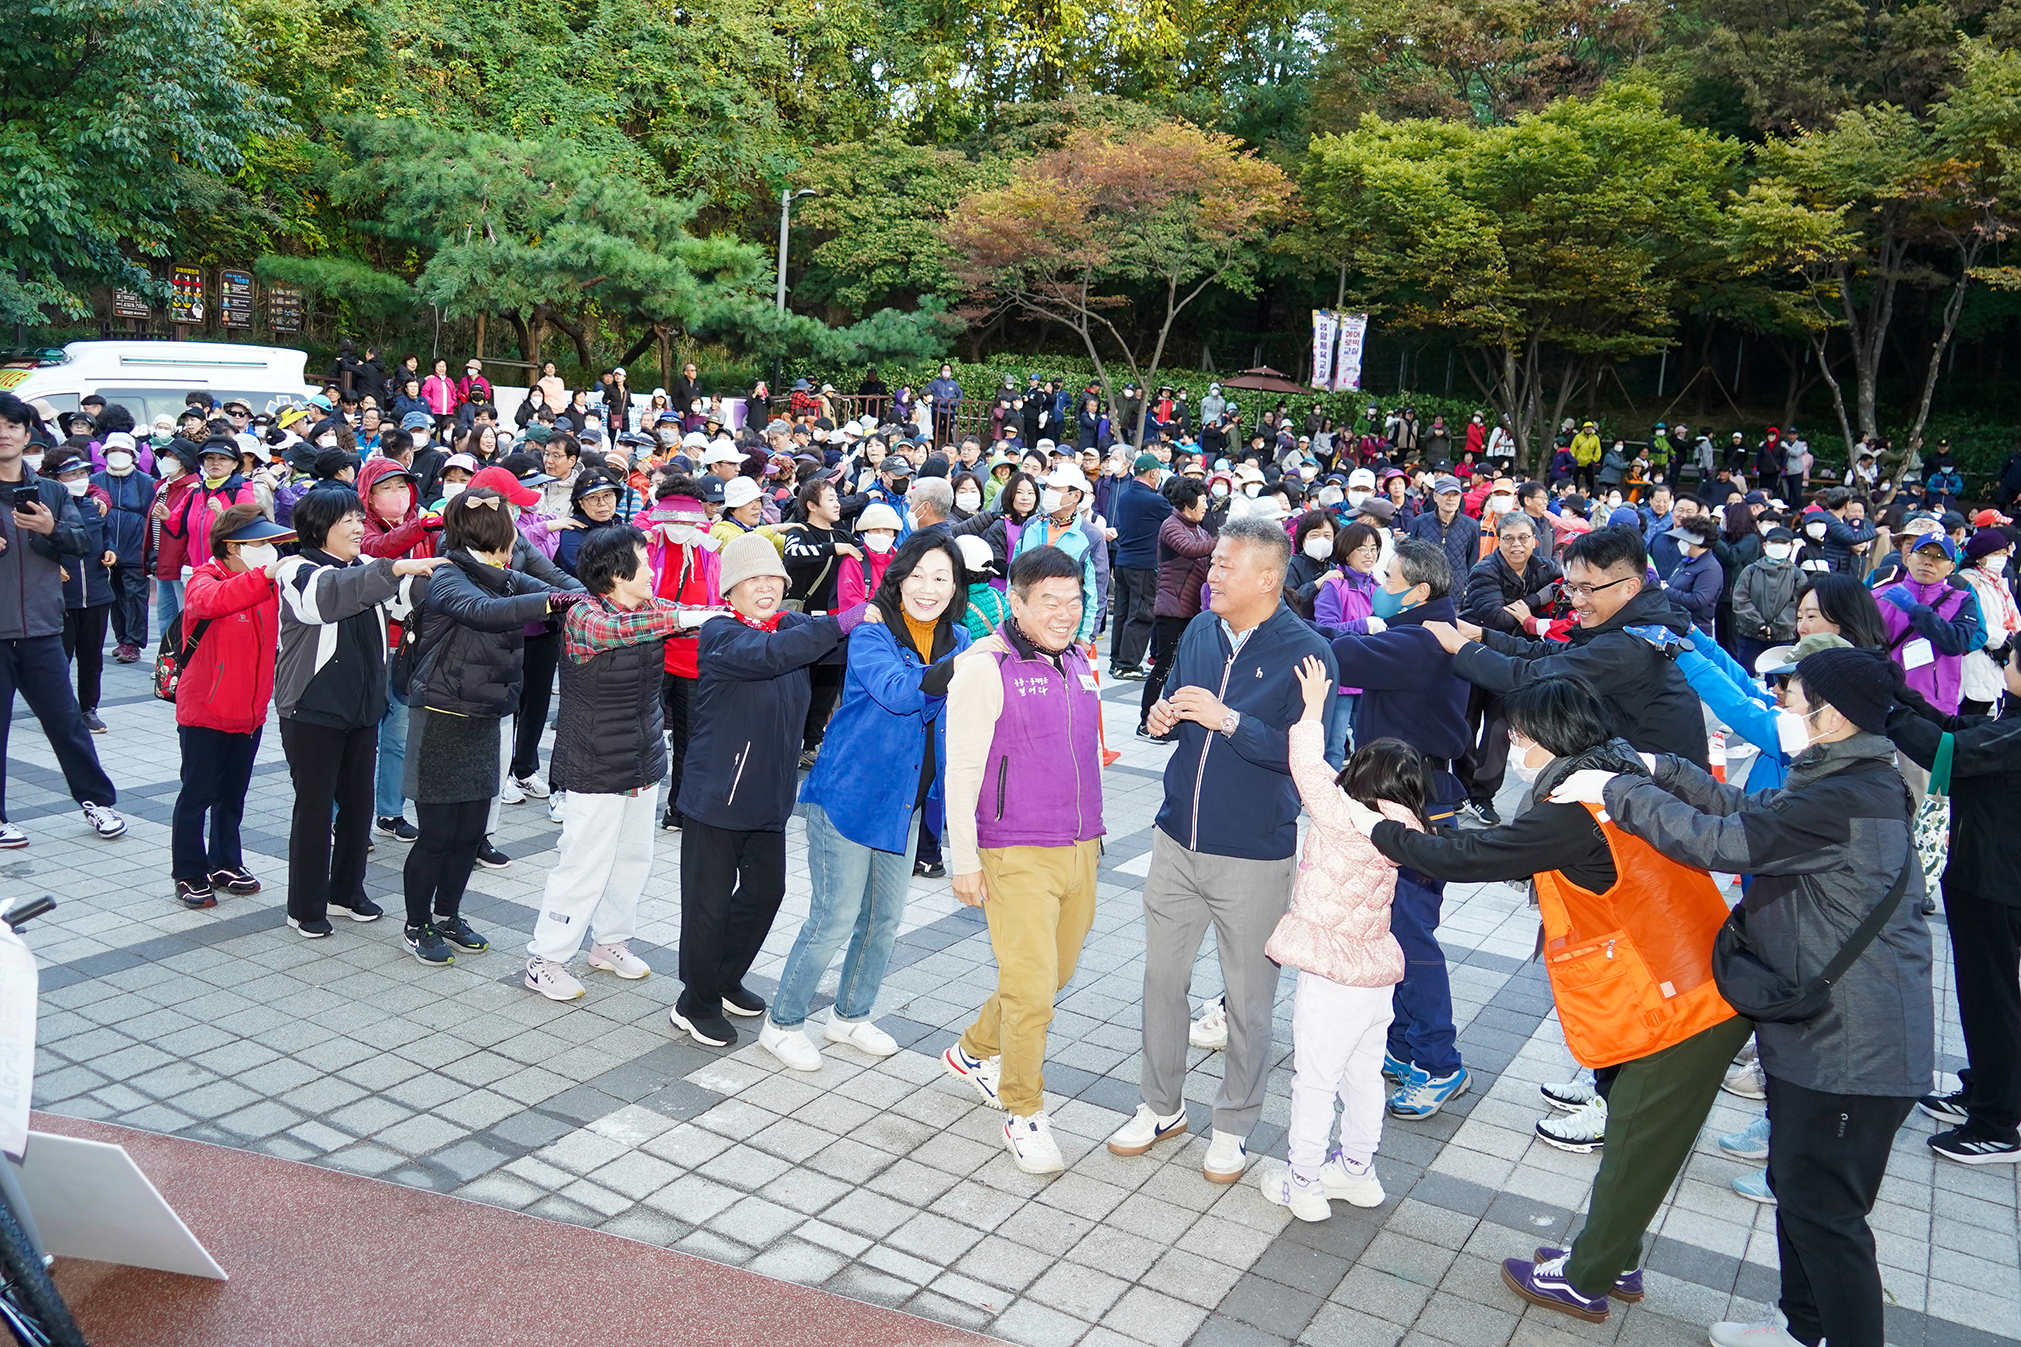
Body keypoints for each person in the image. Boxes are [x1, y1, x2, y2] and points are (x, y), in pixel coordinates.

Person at [1564, 647, 1931, 1347]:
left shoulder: (1843, 796)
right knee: (1797, 1188)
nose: (1783, 708)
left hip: (1856, 1046)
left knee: (1825, 1211)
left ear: (1833, 716)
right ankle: (1802, 1326)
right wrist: (1657, 769)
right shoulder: (1843, 776)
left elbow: (1716, 839)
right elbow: (1750, 807)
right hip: (1822, 1029)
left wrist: (1615, 791)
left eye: (1794, 696)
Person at [1358, 676, 1746, 1324]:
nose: (1509, 743)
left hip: (1683, 1006)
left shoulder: (1571, 811)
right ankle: (1612, 1253)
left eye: (1515, 733)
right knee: (1635, 1141)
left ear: (1545, 736)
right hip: (1690, 984)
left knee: (1632, 1147)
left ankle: (1586, 1277)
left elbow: (1473, 853)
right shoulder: (1613, 779)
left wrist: (1387, 835)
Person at [1108, 518, 1336, 1183]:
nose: (1210, 576)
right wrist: (1165, 718)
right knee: (1161, 982)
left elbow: (1310, 758)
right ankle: (1160, 1104)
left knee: (1248, 999)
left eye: (1224, 566)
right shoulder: (1202, 630)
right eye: (1211, 565)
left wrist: (1230, 720)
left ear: (1267, 577)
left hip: (1254, 854)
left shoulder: (1309, 653)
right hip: (1176, 836)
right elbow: (1183, 703)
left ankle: (1233, 1123)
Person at [762, 533, 970, 1070]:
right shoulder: (873, 632)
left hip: (906, 801)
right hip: (849, 795)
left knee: (883, 919)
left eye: (941, 577)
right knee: (833, 918)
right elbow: (901, 693)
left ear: (956, 586)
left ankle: (850, 1015)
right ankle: (782, 1022)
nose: (928, 589)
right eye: (918, 575)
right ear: (898, 576)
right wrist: (964, 666)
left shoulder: (961, 637)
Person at [669, 533, 872, 1048]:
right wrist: (842, 619)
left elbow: (836, 642)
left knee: (765, 893)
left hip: (769, 794)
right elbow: (773, 654)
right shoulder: (720, 632)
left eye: (772, 579)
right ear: (730, 591)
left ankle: (722, 977)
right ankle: (694, 1001)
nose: (764, 588)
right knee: (707, 904)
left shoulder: (792, 624)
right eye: (751, 580)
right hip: (717, 794)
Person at [940, 546, 1106, 1175]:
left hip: (1081, 844)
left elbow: (1084, 750)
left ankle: (974, 1050)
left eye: (1075, 601)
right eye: (1050, 603)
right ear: (1016, 601)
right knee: (1034, 987)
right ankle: (1023, 1109)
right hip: (1012, 850)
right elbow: (962, 768)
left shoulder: (1080, 661)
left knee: (1052, 973)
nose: (1065, 614)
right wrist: (965, 860)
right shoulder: (987, 665)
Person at [1258, 657, 1423, 1221]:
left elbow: (1306, 763)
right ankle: (1358, 1172)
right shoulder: (1406, 830)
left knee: (1315, 1081)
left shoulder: (1340, 816)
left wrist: (1312, 707)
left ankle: (1302, 1182)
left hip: (1331, 974)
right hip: (1375, 973)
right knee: (1362, 1077)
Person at [522, 526, 712, 1000]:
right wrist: (689, 617)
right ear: (616, 574)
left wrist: (721, 613)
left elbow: (679, 617)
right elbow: (624, 631)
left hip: (641, 756)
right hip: (593, 760)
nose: (653, 572)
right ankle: (545, 959)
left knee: (632, 859)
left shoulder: (650, 608)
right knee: (584, 862)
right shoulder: (586, 614)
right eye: (645, 564)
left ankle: (609, 943)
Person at [1323, 539, 1475, 1115]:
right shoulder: (1426, 630)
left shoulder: (1422, 639)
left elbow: (1337, 656)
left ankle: (1439, 1060)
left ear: (1418, 590)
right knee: (1390, 926)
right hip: (1398, 794)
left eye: (1387, 575)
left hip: (1419, 800)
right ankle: (1407, 1044)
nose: (1376, 581)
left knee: (1410, 933)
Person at [399, 489, 574, 966]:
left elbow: (558, 582)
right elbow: (484, 612)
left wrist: (593, 599)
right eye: (511, 526)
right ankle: (417, 925)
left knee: (470, 830)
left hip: (484, 714)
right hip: (439, 716)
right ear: (495, 535)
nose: (517, 533)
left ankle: (449, 913)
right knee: (437, 833)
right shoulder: (447, 575)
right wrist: (552, 602)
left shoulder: (502, 575)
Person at [274, 488, 448, 936]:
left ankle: (346, 892)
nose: (357, 528)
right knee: (314, 810)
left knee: (357, 806)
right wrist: (394, 568)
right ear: (317, 528)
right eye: (346, 520)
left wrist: (448, 568)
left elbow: (407, 599)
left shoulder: (364, 570)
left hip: (363, 708)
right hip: (312, 709)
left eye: (358, 518)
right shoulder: (297, 570)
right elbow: (326, 599)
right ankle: (305, 905)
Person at [1427, 525, 1711, 769]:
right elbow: (1557, 654)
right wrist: (1480, 635)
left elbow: (1532, 676)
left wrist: (1459, 648)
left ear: (1630, 587)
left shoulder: (1628, 646)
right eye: (1572, 588)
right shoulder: (1636, 622)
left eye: (1587, 590)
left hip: (1659, 796)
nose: (1576, 602)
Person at [1888, 649, 2021, 1163]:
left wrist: (1885, 708)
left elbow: (1949, 751)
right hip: (1981, 877)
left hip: (1998, 885)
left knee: (1993, 1002)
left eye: (2013, 658)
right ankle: (1983, 1090)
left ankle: (1997, 1123)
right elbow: (1951, 728)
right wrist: (1896, 690)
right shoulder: (2006, 718)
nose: (2005, 660)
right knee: (1981, 997)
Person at [0, 395, 125, 847]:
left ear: (27, 433)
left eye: (13, 425)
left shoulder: (51, 491)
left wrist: (51, 528)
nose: (5, 432)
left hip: (42, 628)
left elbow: (79, 543)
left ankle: (97, 802)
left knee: (66, 721)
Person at [171, 506, 294, 908]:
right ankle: (189, 871)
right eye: (259, 543)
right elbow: (213, 602)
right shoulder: (205, 579)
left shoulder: (268, 586)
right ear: (232, 546)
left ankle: (225, 861)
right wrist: (264, 575)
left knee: (232, 794)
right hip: (205, 710)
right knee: (197, 794)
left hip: (250, 711)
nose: (268, 551)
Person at [1457, 509, 1560, 822]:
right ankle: (1460, 790)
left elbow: (1562, 594)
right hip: (1475, 654)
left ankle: (1482, 796)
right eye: (1509, 538)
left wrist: (1532, 603)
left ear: (1535, 540)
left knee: (1500, 729)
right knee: (1466, 722)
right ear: (1498, 542)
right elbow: (1498, 619)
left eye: (1523, 538)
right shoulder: (1484, 571)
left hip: (1516, 659)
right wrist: (1537, 601)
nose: (1517, 544)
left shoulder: (1547, 568)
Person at [1875, 532, 1984, 715]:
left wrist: (1914, 610)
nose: (1929, 561)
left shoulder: (1962, 600)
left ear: (1951, 567)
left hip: (1933, 706)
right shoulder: (1878, 596)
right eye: (1923, 552)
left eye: (1939, 557)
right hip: (1882, 697)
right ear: (1909, 558)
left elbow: (1956, 643)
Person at [1140, 477, 1215, 736]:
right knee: (1163, 666)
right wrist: (1225, 540)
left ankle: (1175, 721)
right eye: (1203, 500)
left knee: (1187, 668)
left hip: (1194, 610)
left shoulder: (1200, 529)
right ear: (1189, 502)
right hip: (1172, 609)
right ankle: (1145, 721)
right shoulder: (1171, 526)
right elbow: (1190, 549)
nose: (1206, 505)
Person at [47, 449, 115, 733]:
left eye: (83, 473)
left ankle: (88, 709)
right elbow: (34, 543)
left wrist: (112, 549)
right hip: (63, 597)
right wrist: (50, 566)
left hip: (98, 594)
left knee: (92, 657)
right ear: (56, 479)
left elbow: (107, 534)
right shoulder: (48, 509)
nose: (78, 479)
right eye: (71, 474)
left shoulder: (93, 505)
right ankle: (57, 711)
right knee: (58, 658)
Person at [92, 431, 156, 662]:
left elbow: (154, 518)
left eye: (123, 451)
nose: (118, 455)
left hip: (136, 546)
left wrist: (153, 551)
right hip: (105, 546)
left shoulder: (146, 483)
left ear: (133, 455)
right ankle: (122, 639)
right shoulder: (95, 481)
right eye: (113, 451)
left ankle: (133, 642)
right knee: (115, 595)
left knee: (136, 596)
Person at [1109, 453, 1170, 678]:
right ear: (1154, 473)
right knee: (1142, 613)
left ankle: (1117, 660)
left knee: (1122, 614)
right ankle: (1127, 665)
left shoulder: (1125, 496)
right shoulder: (1155, 500)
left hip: (1123, 561)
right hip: (1144, 564)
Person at [1732, 526, 1801, 673]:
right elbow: (1740, 600)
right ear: (1764, 545)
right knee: (1744, 678)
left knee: (1779, 683)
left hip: (1782, 638)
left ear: (1791, 547)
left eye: (1783, 543)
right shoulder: (1750, 571)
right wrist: (1759, 625)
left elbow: (1797, 605)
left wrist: (1776, 627)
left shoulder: (1797, 575)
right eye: (1774, 542)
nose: (1778, 547)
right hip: (1750, 634)